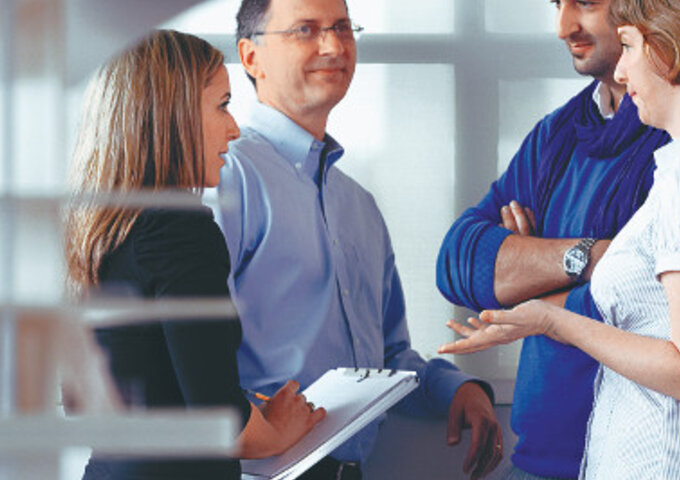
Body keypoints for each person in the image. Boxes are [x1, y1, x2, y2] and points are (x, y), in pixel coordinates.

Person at [441, 0, 680, 477]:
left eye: (628, 44)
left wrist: (543, 303)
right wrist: (589, 260)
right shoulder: (583, 140)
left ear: (666, 40)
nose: (622, 72)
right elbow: (458, 262)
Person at [212, 1, 503, 479]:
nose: (333, 46)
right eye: (306, 29)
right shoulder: (226, 177)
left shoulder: (360, 205)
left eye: (342, 28)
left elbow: (388, 359)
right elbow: (184, 350)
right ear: (250, 57)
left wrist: (458, 389)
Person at [65, 29, 326, 480]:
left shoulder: (96, 230)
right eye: (222, 105)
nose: (235, 128)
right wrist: (282, 429)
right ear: (170, 116)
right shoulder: (179, 227)